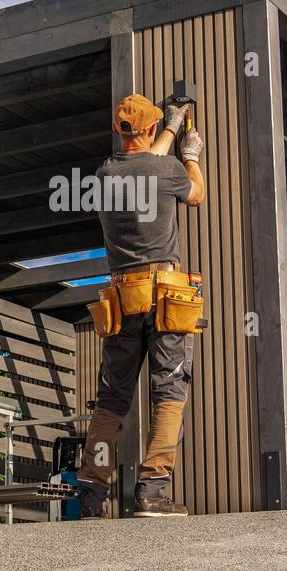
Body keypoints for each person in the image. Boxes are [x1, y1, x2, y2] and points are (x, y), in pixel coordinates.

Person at [77, 93, 205, 517]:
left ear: (119, 129)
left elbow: (143, 163)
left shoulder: (103, 175)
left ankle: (92, 494)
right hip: (166, 296)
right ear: (149, 130)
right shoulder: (169, 170)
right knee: (169, 392)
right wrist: (191, 155)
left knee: (111, 400)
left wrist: (169, 127)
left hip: (122, 298)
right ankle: (152, 490)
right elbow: (196, 194)